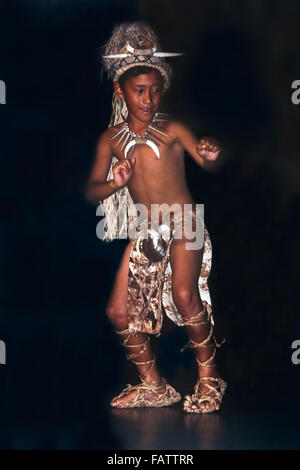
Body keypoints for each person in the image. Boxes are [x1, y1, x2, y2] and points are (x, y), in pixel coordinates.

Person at [85, 22, 227, 413]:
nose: (148, 100)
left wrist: (211, 155)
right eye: (138, 91)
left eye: (154, 91)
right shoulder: (110, 140)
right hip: (149, 231)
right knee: (117, 311)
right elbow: (90, 190)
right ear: (120, 90)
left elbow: (207, 159)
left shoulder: (174, 128)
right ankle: (155, 385)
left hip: (185, 222)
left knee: (185, 296)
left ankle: (210, 380)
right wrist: (114, 183)